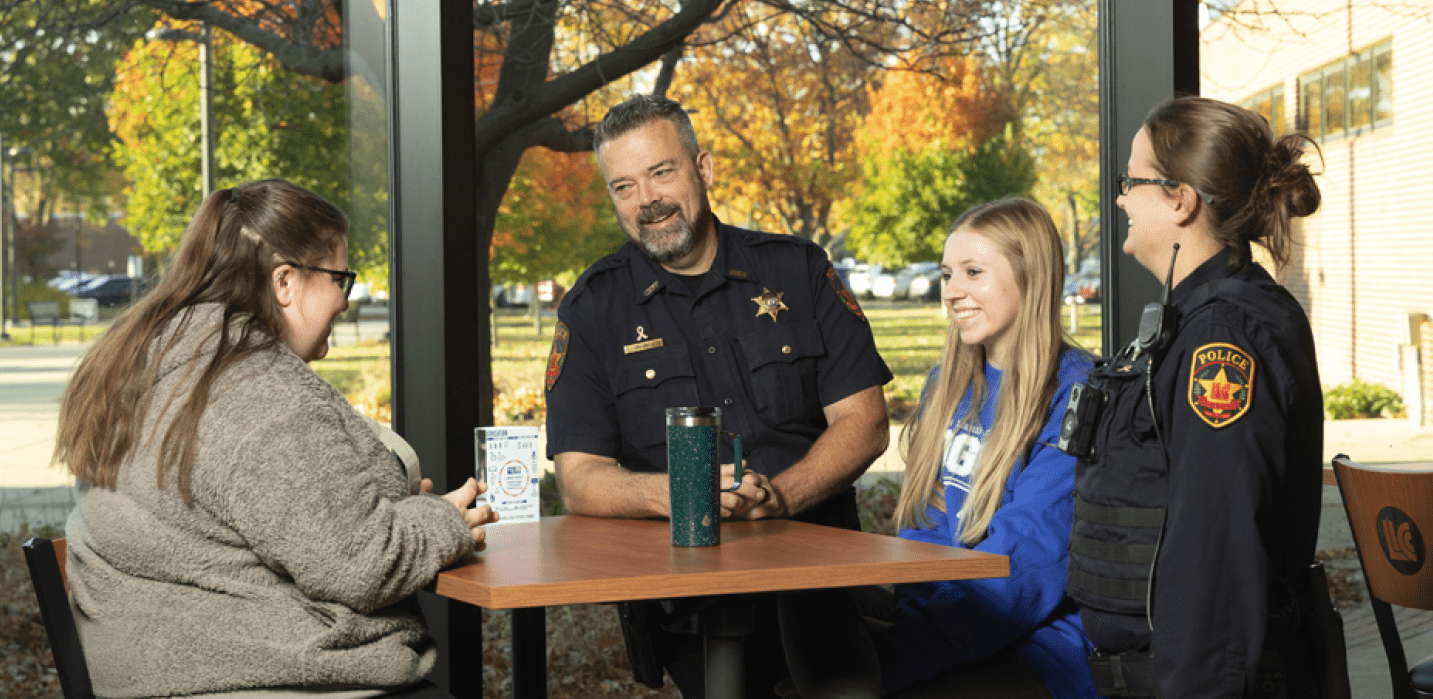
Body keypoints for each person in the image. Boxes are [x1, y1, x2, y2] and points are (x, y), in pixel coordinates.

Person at [55, 180, 496, 698]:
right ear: (284, 282)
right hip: (256, 680)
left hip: (150, 671)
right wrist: (443, 519)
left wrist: (388, 514)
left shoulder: (147, 360)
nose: (344, 300)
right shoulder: (259, 393)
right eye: (341, 278)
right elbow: (359, 566)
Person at [544, 94, 893, 697]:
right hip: (690, 600)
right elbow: (579, 476)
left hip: (822, 581)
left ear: (702, 170)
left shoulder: (797, 271)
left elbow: (865, 422)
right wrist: (687, 493)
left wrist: (782, 496)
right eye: (623, 186)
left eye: (661, 172)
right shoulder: (594, 308)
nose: (646, 200)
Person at [776, 198, 1098, 699]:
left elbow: (1023, 574)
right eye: (948, 274)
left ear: (1031, 276)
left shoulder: (1075, 394)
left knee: (837, 682)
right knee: (797, 590)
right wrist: (906, 628)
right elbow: (923, 531)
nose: (952, 292)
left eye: (973, 272)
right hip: (943, 622)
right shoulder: (946, 385)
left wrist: (895, 657)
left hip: (1036, 647)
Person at [1067, 96, 1328, 698]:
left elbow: (1215, 548)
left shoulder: (1223, 337)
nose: (1120, 198)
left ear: (1181, 200)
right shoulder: (1190, 323)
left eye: (1131, 181)